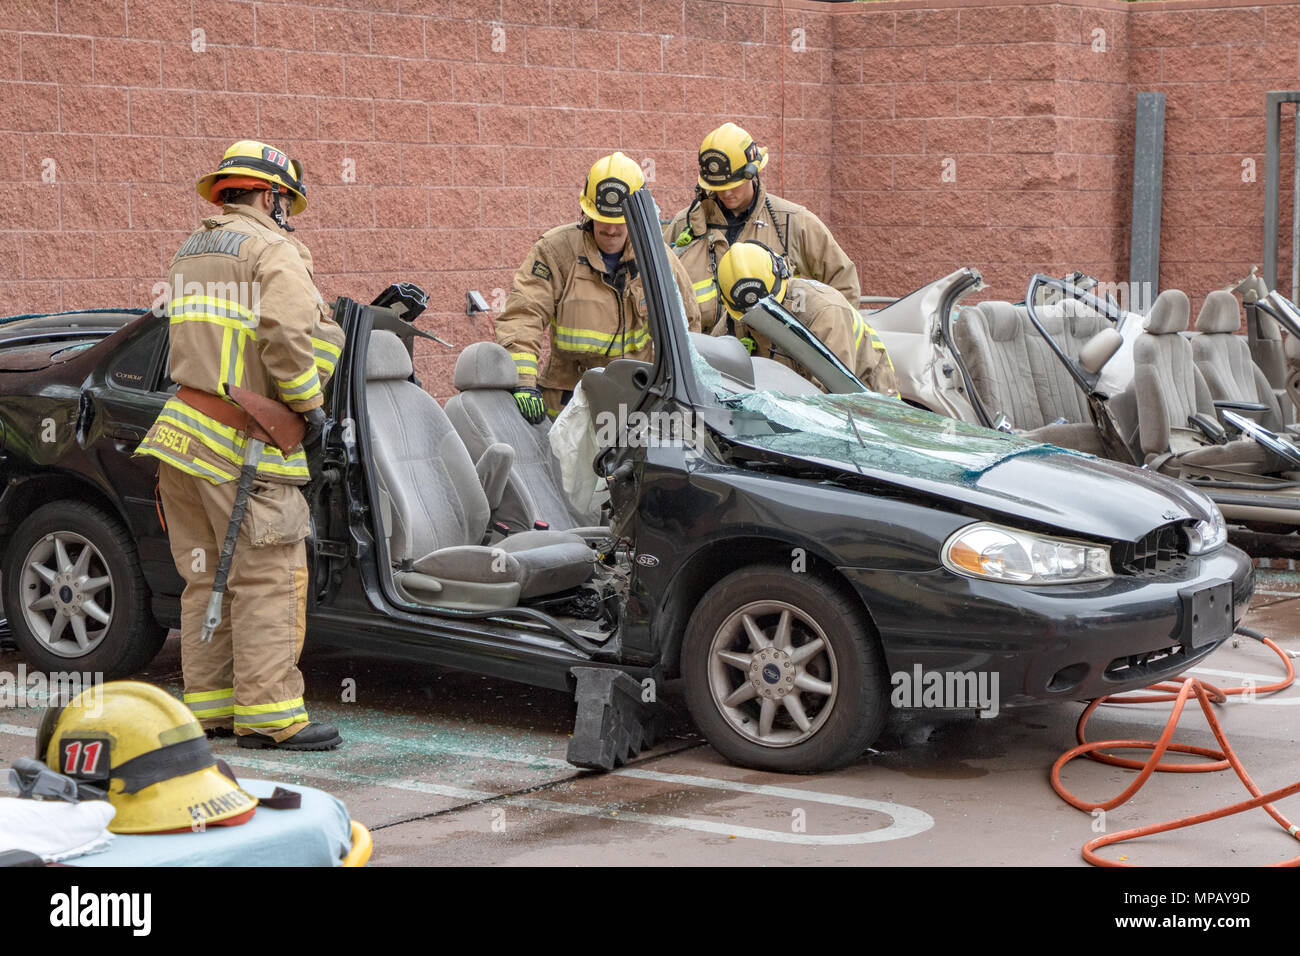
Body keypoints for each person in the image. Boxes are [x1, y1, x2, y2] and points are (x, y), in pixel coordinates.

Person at [134, 140, 345, 751]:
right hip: (241, 439)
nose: (289, 213)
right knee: (270, 577)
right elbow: (284, 335)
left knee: (206, 577)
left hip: (182, 434)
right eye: (286, 201)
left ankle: (214, 710)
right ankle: (272, 716)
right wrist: (310, 406)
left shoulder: (190, 249)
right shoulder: (272, 249)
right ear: (270, 194)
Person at [495, 151, 702, 422]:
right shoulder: (556, 251)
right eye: (602, 218)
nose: (611, 229)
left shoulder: (657, 259)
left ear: (638, 217)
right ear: (586, 212)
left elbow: (688, 328)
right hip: (570, 403)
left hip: (638, 402)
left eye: (619, 220)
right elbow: (524, 315)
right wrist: (523, 381)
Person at [663, 122, 861, 334]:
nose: (726, 193)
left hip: (772, 361)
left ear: (753, 172)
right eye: (719, 187)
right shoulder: (687, 225)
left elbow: (843, 283)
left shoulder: (791, 222)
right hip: (703, 357)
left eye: (734, 184)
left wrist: (821, 343)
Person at [713, 240, 898, 397]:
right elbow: (708, 364)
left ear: (783, 275)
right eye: (751, 314)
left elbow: (831, 396)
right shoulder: (736, 317)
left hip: (870, 407)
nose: (761, 317)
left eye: (768, 307)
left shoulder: (824, 311)